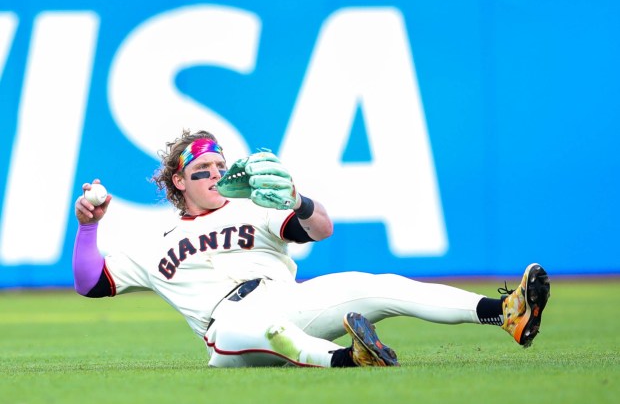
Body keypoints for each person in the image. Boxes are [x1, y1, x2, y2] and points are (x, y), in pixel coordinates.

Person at [73, 129, 551, 368]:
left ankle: (505, 311)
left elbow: (321, 229)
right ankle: (344, 360)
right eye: (204, 170)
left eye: (220, 165)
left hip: (287, 298)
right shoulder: (155, 245)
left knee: (375, 285)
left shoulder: (252, 208)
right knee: (257, 325)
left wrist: (298, 200)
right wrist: (89, 228)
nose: (216, 174)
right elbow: (90, 284)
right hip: (228, 329)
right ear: (179, 181)